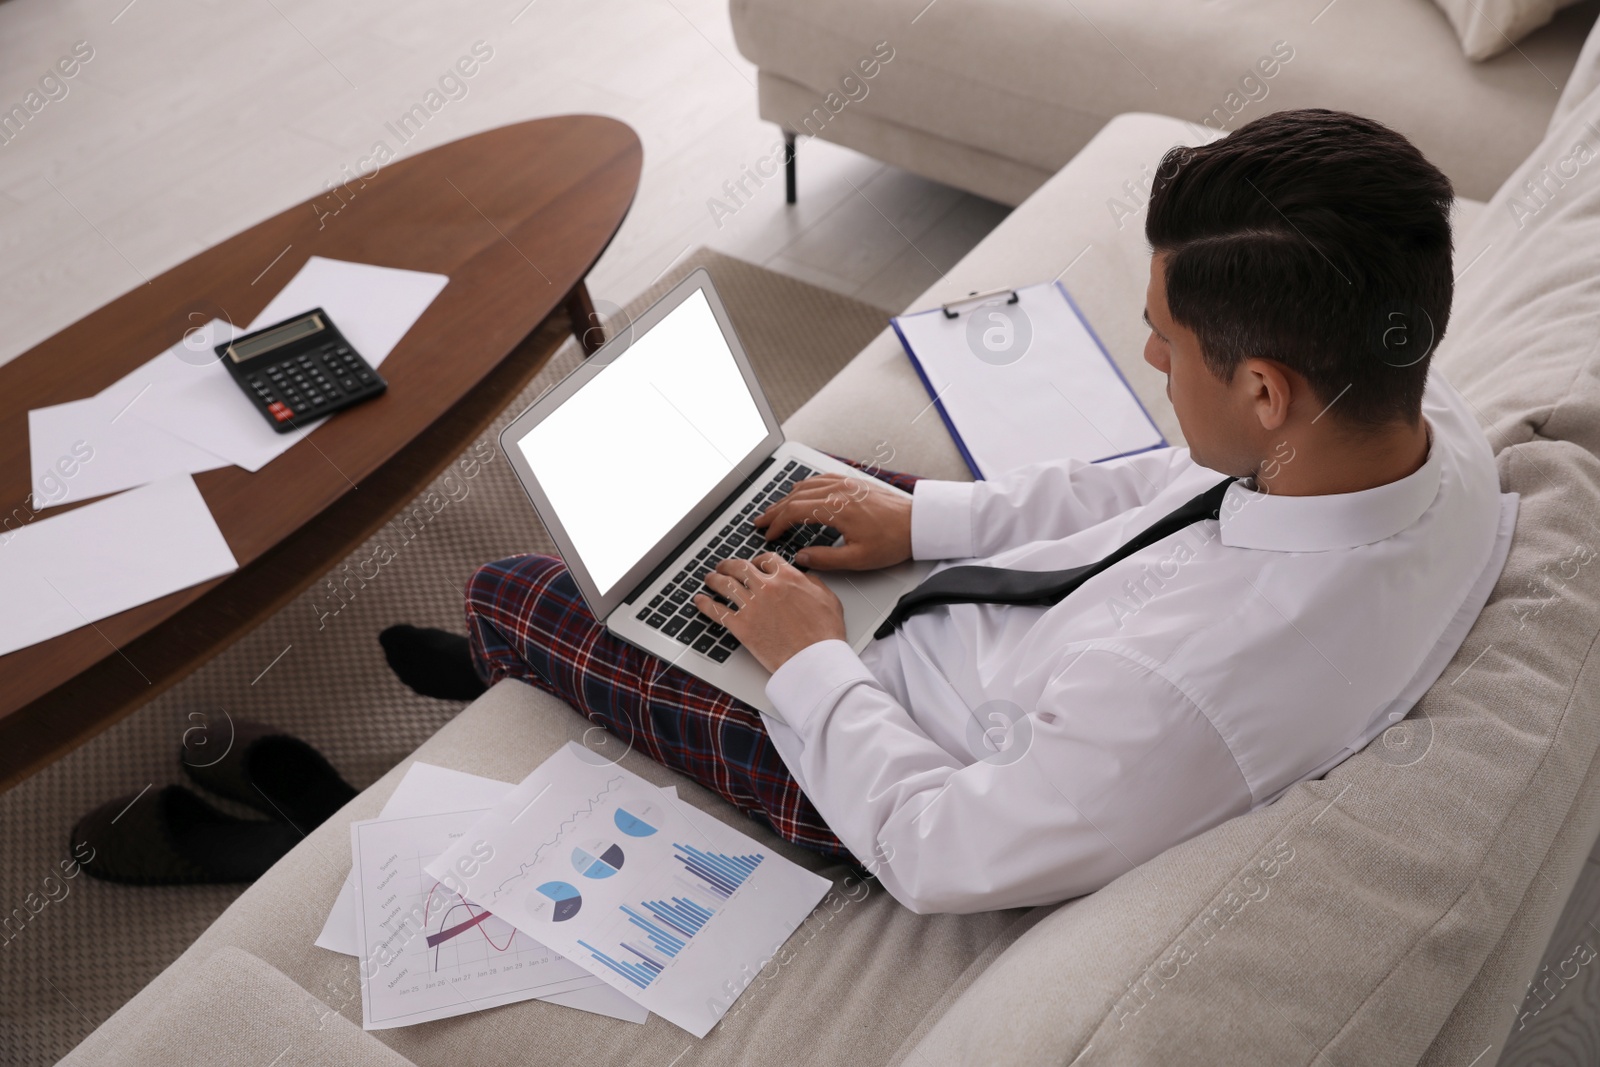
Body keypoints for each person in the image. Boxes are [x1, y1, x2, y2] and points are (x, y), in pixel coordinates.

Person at [381, 109, 1515, 915]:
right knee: (801, 485)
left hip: (879, 758)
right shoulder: (1414, 422)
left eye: (1168, 339)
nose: (1150, 353)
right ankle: (722, 590)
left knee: (519, 588)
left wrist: (809, 662)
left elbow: (935, 848)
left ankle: (503, 655)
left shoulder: (1187, 692)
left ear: (1266, 389)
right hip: (1011, 620)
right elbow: (1164, 486)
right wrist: (922, 523)